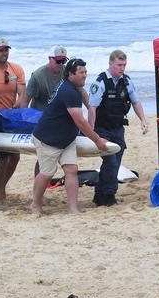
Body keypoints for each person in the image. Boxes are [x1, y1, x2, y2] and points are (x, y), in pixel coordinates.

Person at [30, 58, 108, 215]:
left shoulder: (74, 87)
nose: (85, 75)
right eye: (81, 72)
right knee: (47, 173)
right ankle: (35, 204)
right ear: (70, 74)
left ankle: (73, 208)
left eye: (86, 72)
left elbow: (86, 99)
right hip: (48, 139)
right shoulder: (68, 91)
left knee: (72, 169)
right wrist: (97, 140)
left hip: (67, 139)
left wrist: (92, 112)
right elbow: (80, 122)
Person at [88, 49, 149, 207]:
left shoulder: (126, 81)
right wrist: (91, 131)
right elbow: (92, 107)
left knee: (114, 162)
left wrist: (143, 119)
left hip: (118, 128)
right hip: (102, 128)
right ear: (110, 64)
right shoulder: (100, 82)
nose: (122, 68)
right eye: (119, 65)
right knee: (111, 162)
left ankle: (99, 194)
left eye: (124, 65)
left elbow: (135, 102)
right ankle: (109, 194)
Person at [0, 37, 26, 204]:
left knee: (15, 158)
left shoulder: (16, 69)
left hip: (12, 118)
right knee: (2, 158)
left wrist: (17, 106)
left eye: (6, 49)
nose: (5, 53)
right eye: (1, 50)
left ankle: (2, 187)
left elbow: (22, 93)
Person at [24, 45, 68, 110]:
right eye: (58, 61)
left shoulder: (67, 72)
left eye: (63, 61)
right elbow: (26, 100)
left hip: (58, 114)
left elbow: (80, 90)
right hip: (40, 115)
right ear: (49, 58)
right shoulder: (37, 76)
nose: (61, 64)